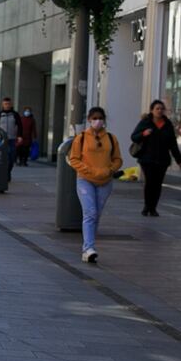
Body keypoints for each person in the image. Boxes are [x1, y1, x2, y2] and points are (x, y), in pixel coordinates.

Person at [67, 107, 122, 264]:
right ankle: (88, 248)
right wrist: (89, 170)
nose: (98, 121)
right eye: (95, 118)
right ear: (89, 119)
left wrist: (110, 170)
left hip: (105, 181)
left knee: (96, 214)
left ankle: (89, 246)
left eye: (100, 118)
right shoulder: (81, 138)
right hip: (85, 180)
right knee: (90, 212)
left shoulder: (111, 138)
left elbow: (118, 159)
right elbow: (74, 159)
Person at [131, 100, 181, 217]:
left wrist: (179, 160)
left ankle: (153, 208)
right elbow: (134, 137)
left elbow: (173, 144)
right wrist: (144, 134)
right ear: (152, 110)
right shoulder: (146, 122)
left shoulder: (167, 124)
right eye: (157, 109)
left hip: (162, 160)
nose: (160, 111)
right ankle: (147, 206)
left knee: (158, 184)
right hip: (147, 159)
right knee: (150, 182)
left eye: (161, 109)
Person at [0, 98, 23, 180]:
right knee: (0, 157)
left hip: (11, 139)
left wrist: (20, 136)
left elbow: (20, 126)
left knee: (11, 157)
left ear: (11, 105)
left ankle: (8, 172)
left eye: (8, 104)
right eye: (5, 104)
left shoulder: (15, 114)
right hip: (0, 139)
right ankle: (1, 173)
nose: (7, 105)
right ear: (2, 105)